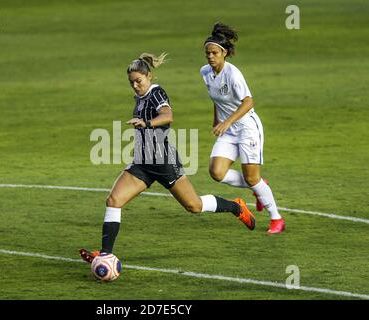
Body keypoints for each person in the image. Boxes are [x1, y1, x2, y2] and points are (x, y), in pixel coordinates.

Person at [79, 52, 256, 263]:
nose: (135, 86)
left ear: (149, 76)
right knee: (113, 200)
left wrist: (147, 124)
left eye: (138, 81)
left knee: (194, 206)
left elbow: (167, 116)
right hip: (143, 161)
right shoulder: (140, 96)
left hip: (163, 162)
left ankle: (236, 207)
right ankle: (106, 254)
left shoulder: (156, 93)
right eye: (131, 82)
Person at [200, 22, 285, 234]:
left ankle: (276, 218)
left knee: (251, 177)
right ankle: (257, 187)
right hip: (228, 129)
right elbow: (217, 97)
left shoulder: (233, 74)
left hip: (247, 128)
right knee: (216, 172)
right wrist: (217, 119)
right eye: (207, 53)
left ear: (224, 53)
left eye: (214, 53)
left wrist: (227, 121)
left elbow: (248, 102)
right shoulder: (205, 72)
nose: (210, 57)